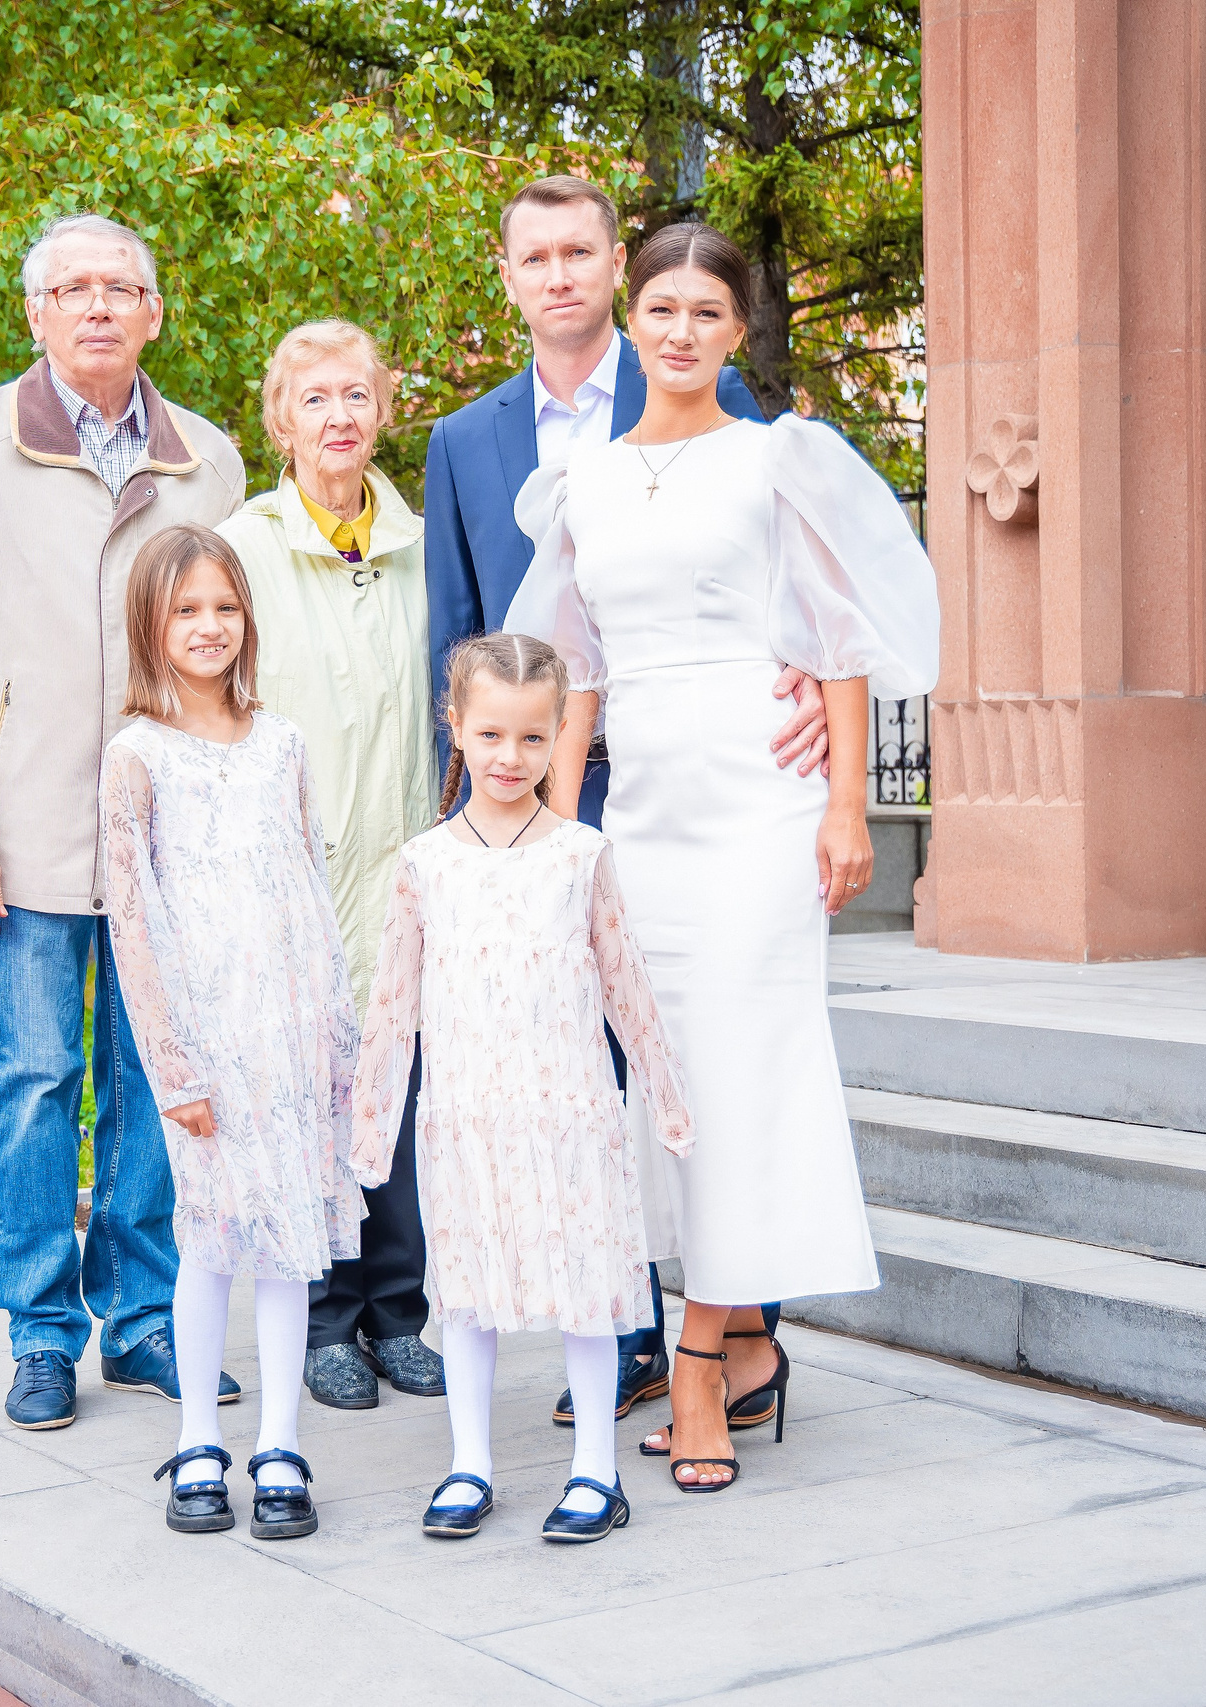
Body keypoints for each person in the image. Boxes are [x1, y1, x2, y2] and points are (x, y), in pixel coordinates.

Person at [509, 221, 938, 1491]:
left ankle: (698, 1368)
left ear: (737, 333)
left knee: (744, 1076)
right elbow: (576, 670)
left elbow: (838, 642)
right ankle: (747, 1345)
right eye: (662, 308)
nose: (681, 330)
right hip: (643, 814)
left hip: (762, 799)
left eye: (707, 311)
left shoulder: (773, 461)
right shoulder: (582, 479)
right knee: (669, 1087)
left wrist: (847, 808)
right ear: (629, 324)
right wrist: (563, 832)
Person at [422, 173, 817, 1426]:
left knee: (697, 1056)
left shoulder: (708, 394)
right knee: (588, 1081)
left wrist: (809, 682)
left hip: (710, 781)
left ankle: (712, 1335)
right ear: (506, 273)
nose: (557, 276)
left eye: (579, 252)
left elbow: (787, 574)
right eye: (533, 256)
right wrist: (481, 809)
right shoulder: (463, 441)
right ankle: (633, 1323)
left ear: (613, 272)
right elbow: (461, 631)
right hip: (548, 795)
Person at [0, 213, 248, 1431]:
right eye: (72, 288)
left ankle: (143, 1321)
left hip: (173, 832)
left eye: (122, 288)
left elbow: (233, 647)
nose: (98, 306)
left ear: (155, 312)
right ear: (35, 314)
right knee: (38, 1080)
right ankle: (40, 1331)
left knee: (152, 1080)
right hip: (23, 822)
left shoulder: (210, 459)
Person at [351, 633, 693, 1545]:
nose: (511, 758)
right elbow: (393, 999)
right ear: (456, 726)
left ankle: (595, 1468)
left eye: (533, 739)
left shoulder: (580, 854)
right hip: (465, 1113)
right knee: (466, 1286)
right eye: (492, 735)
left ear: (559, 737)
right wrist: (372, 1121)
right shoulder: (426, 862)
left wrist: (663, 1087)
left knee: (588, 1285)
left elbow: (624, 977)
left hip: (568, 1110)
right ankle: (470, 1461)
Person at [101, 525, 363, 1541]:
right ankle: (202, 1436)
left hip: (290, 1031)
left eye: (223, 606)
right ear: (150, 627)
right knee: (209, 1237)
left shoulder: (282, 744)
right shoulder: (136, 757)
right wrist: (173, 1065)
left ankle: (281, 1441)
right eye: (185, 611)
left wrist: (333, 1033)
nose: (209, 628)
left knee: (289, 1242)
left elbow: (306, 887)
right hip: (205, 1042)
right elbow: (133, 918)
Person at [217, 320, 446, 1412]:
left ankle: (397, 1313)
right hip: (294, 874)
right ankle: (320, 1319)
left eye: (355, 396)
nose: (338, 418)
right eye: (314, 400)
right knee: (308, 1099)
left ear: (383, 409)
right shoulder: (246, 546)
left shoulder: (418, 543)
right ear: (280, 420)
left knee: (394, 1095)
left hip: (404, 863)